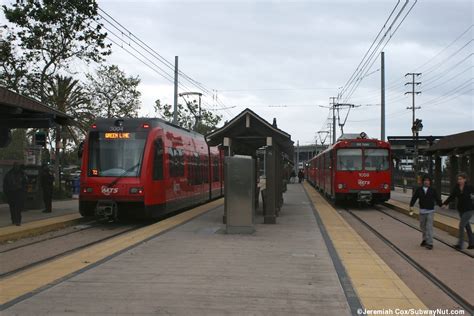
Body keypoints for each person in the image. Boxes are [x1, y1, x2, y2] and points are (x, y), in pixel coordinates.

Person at [409, 175, 442, 250]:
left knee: (429, 227)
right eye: (425, 180)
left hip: (430, 211)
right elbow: (414, 198)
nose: (426, 182)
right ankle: (425, 239)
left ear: (430, 182)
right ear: (423, 181)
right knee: (422, 227)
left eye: (428, 180)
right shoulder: (419, 190)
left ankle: (430, 243)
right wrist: (411, 206)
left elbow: (437, 199)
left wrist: (442, 205)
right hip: (422, 211)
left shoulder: (433, 190)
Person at [442, 173, 474, 250]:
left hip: (469, 210)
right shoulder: (456, 187)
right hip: (461, 210)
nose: (459, 180)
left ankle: (460, 244)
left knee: (461, 225)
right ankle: (472, 243)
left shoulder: (470, 187)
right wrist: (445, 203)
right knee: (467, 226)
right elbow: (452, 196)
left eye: (461, 179)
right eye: (458, 179)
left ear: (465, 179)